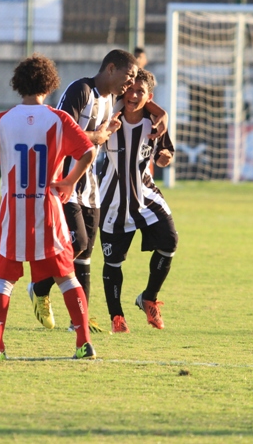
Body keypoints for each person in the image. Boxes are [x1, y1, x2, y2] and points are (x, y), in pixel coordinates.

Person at [27, 49, 168, 333]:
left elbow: (140, 100)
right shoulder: (81, 90)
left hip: (90, 185)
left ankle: (79, 319)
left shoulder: (110, 99)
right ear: (111, 68)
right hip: (64, 180)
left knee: (85, 254)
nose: (130, 84)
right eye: (129, 76)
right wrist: (98, 136)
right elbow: (57, 132)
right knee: (77, 243)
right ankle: (40, 288)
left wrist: (160, 112)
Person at [0, 53, 97, 360]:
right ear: (50, 84)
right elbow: (88, 151)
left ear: (18, 84)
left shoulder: (3, 120)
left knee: (3, 280)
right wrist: (69, 181)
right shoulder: (59, 119)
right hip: (48, 211)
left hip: (12, 211)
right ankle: (84, 343)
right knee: (66, 277)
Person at [99, 69, 176, 332]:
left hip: (146, 196)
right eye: (130, 89)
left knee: (170, 242)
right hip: (112, 200)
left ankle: (148, 298)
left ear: (149, 96)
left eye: (140, 92)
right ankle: (117, 317)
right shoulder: (110, 114)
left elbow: (165, 154)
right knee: (113, 262)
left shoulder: (155, 123)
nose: (133, 95)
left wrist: (165, 158)